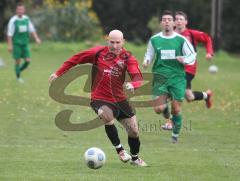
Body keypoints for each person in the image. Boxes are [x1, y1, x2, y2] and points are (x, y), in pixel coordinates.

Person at [49, 29, 147, 166]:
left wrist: (133, 84)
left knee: (134, 131)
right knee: (107, 116)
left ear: (123, 42)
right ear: (107, 41)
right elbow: (75, 59)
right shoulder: (98, 53)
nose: (114, 45)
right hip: (99, 98)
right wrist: (58, 73)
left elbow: (137, 76)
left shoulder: (128, 57)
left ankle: (135, 159)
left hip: (120, 99)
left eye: (117, 42)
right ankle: (120, 150)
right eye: (111, 42)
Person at [142, 10, 196, 143]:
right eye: (164, 19)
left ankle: (175, 135)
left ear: (173, 23)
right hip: (160, 77)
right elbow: (149, 54)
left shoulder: (181, 40)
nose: (166, 21)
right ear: (161, 23)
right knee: (158, 109)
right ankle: (165, 109)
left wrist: (184, 59)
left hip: (177, 78)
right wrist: (146, 61)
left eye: (169, 19)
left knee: (176, 109)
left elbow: (192, 55)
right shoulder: (154, 39)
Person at [161, 11, 214, 130]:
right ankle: (206, 95)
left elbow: (207, 38)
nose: (178, 21)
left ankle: (171, 122)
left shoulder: (191, 33)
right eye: (177, 19)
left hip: (189, 69)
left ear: (186, 22)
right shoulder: (170, 34)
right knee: (189, 97)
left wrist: (209, 52)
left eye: (181, 19)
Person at [7, 2, 41, 83]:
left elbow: (32, 29)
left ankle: (18, 71)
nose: (20, 11)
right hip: (17, 44)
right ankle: (18, 77)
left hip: (25, 44)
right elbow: (9, 34)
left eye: (22, 9)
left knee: (28, 61)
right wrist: (10, 45)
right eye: (19, 9)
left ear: (24, 10)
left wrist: (36, 38)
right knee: (18, 61)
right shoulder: (13, 21)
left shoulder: (26, 19)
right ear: (16, 10)